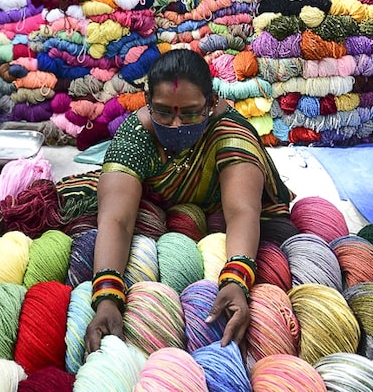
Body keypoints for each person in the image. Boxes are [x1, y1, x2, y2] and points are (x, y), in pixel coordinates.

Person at [84, 48, 293, 355]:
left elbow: (240, 211)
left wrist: (236, 280)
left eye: (191, 112)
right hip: (165, 213)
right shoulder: (136, 134)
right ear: (147, 103)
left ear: (211, 103)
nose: (177, 125)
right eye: (165, 112)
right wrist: (107, 296)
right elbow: (117, 219)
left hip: (214, 211)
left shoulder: (230, 132)